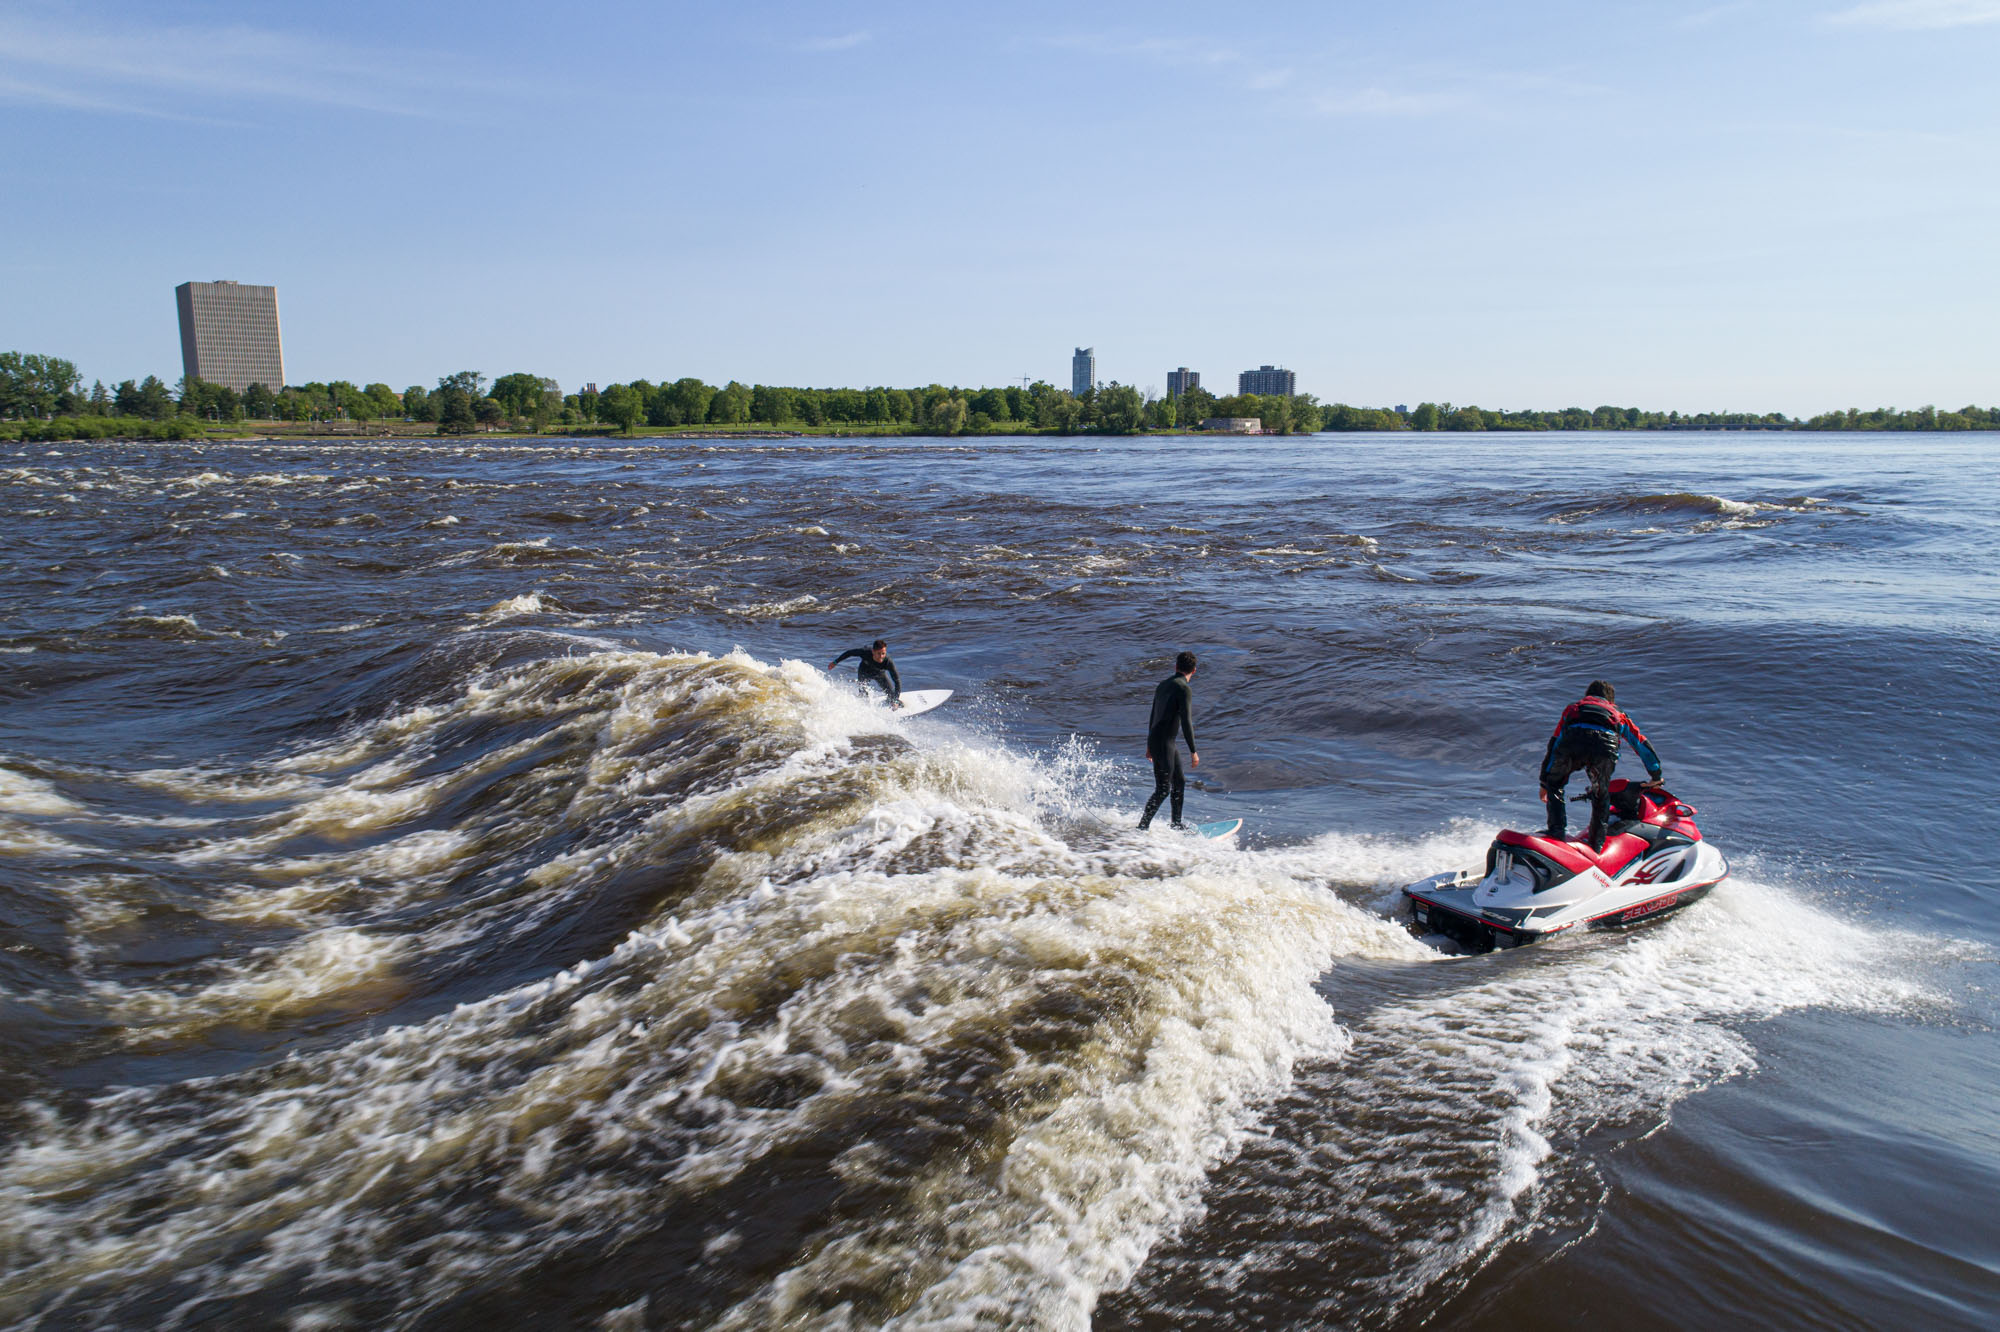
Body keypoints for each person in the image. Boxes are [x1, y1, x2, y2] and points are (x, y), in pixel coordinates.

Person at [1540, 678, 1663, 850]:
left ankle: (1556, 833)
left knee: (1556, 785)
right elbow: (1640, 744)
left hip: (1572, 742)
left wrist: (1545, 782)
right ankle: (1596, 846)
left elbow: (1554, 744)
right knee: (1600, 794)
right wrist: (1656, 775)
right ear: (1611, 700)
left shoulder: (1573, 709)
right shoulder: (1617, 714)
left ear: (1587, 696)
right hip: (1604, 748)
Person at [1140, 651, 1201, 830]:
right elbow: (1186, 721)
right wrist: (1193, 751)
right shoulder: (1183, 688)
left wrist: (1148, 745)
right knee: (1163, 789)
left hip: (1160, 741)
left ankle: (1176, 824)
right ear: (1194, 671)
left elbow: (1153, 714)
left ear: (1176, 667)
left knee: (1179, 781)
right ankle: (1142, 827)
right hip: (1164, 742)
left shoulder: (1163, 684)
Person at [828, 639, 903, 707]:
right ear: (873, 651)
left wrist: (895, 701)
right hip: (864, 672)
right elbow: (849, 653)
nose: (881, 656)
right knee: (863, 696)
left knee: (892, 697)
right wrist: (835, 662)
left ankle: (894, 704)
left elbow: (897, 681)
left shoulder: (888, 662)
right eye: (878, 653)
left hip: (880, 674)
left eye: (883, 653)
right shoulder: (865, 652)